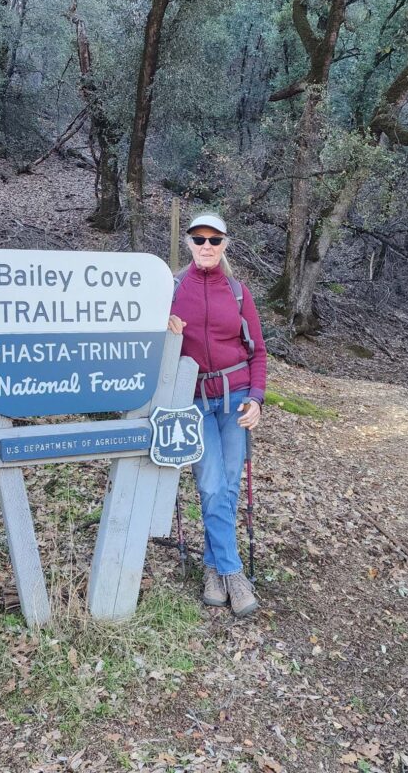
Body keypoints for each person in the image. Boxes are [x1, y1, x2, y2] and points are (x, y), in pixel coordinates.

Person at [167, 213, 268, 617]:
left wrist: (258, 398)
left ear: (226, 244)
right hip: (193, 400)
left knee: (227, 489)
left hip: (236, 400)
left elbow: (258, 351)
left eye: (214, 240)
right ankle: (234, 573)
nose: (206, 246)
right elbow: (150, 350)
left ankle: (213, 570)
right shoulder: (171, 290)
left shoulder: (239, 292)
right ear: (189, 242)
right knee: (211, 487)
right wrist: (163, 331)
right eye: (199, 238)